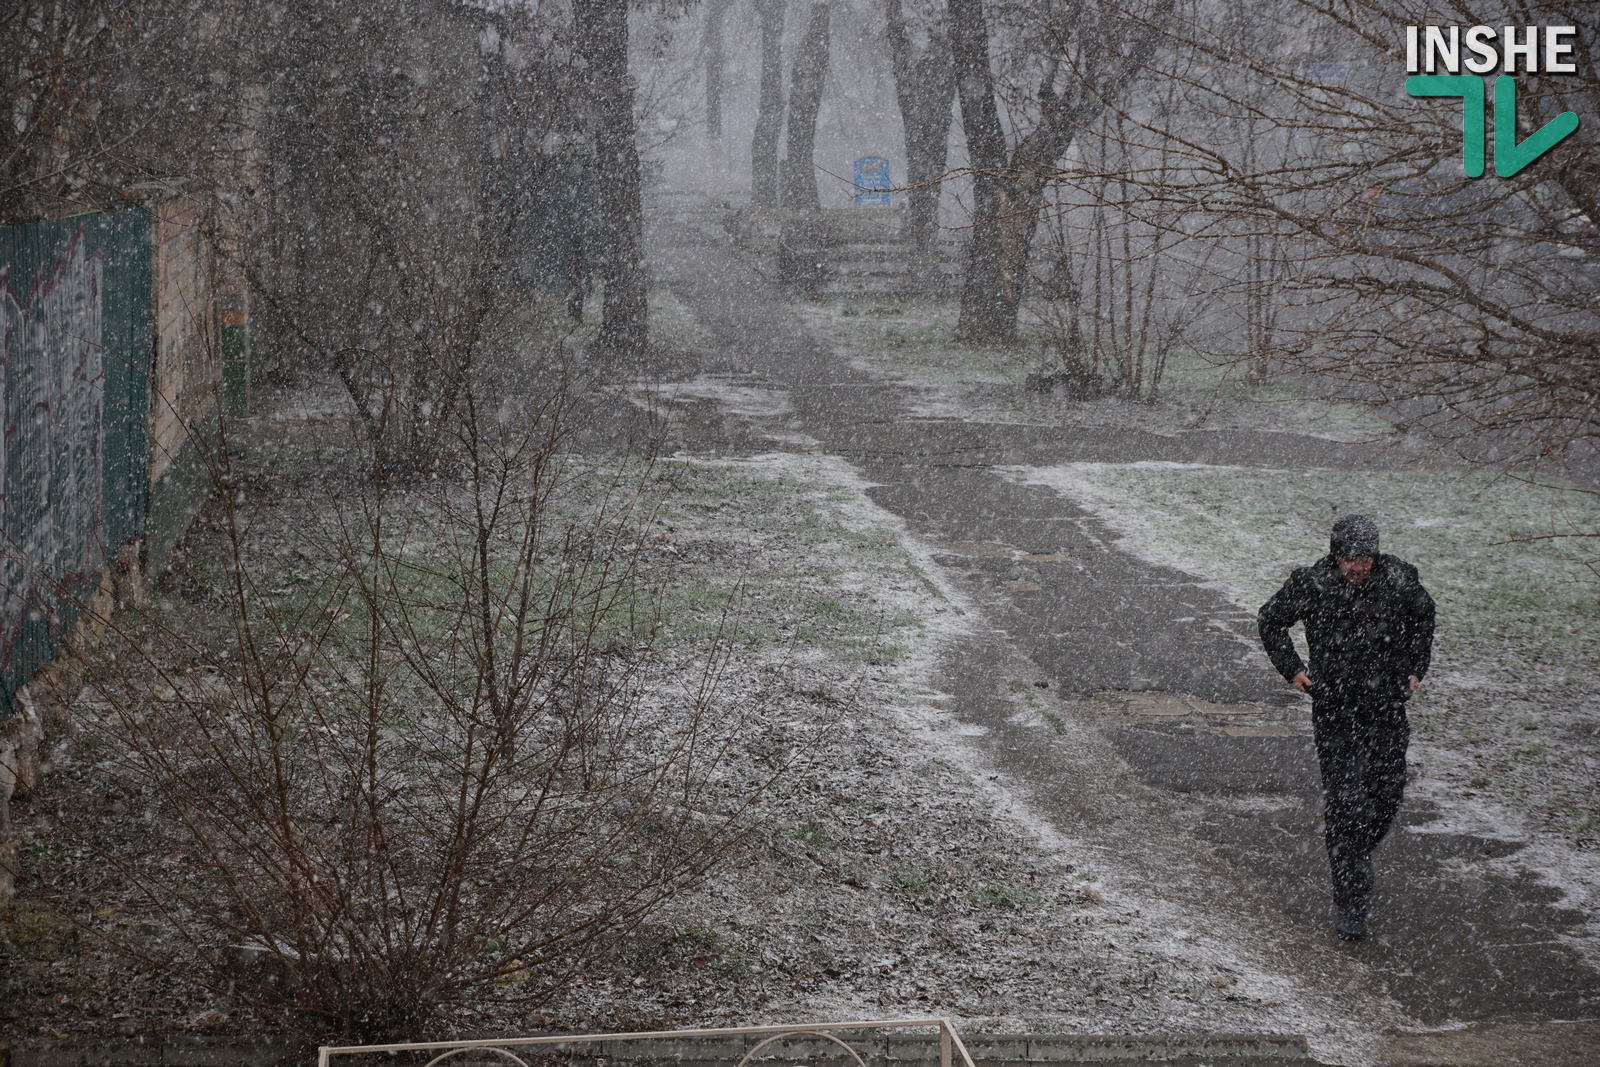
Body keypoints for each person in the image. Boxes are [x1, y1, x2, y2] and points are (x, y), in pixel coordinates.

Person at [1257, 515, 1436, 940]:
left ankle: (1355, 853)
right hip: (1335, 708)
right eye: (1350, 559)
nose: (1358, 567)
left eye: (1365, 559)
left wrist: (1415, 667)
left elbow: (1424, 617)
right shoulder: (1311, 584)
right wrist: (1294, 670)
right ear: (1336, 555)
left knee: (1386, 795)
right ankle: (1351, 899)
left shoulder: (1398, 580)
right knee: (1345, 805)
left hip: (1387, 706)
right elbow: (1270, 620)